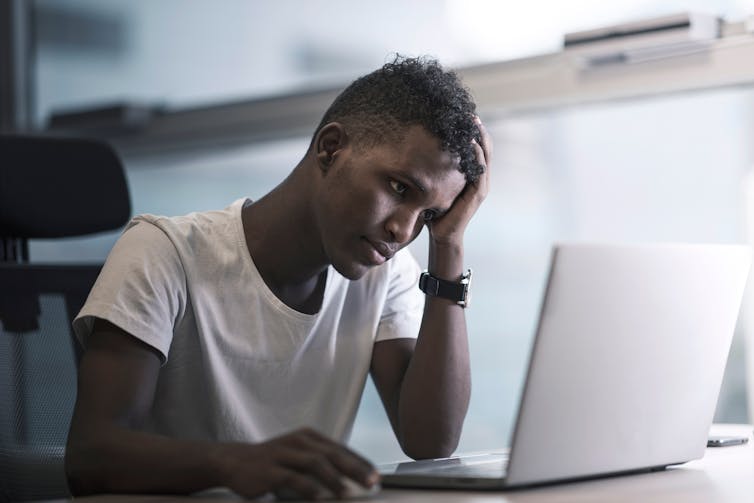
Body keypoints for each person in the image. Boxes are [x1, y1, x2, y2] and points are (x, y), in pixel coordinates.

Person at [64, 55, 492, 500]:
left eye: (429, 215)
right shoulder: (164, 252)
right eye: (400, 188)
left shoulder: (387, 274)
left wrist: (449, 245)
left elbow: (430, 442)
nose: (403, 231)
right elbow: (91, 456)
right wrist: (234, 464)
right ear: (330, 148)